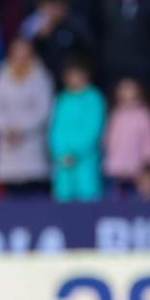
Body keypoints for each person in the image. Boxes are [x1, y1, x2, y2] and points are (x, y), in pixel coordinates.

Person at [0, 34, 53, 195]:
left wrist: (21, 129)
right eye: (17, 51)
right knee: (12, 190)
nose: (21, 55)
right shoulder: (0, 75)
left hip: (32, 141)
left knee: (33, 188)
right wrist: (6, 128)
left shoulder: (41, 76)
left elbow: (44, 110)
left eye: (24, 51)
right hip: (7, 141)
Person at [48, 55, 105, 200]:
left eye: (77, 75)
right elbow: (55, 128)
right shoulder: (63, 98)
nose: (74, 79)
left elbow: (94, 129)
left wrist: (75, 153)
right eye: (70, 76)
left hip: (85, 158)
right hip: (63, 160)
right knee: (63, 197)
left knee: (88, 196)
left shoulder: (94, 98)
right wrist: (60, 152)